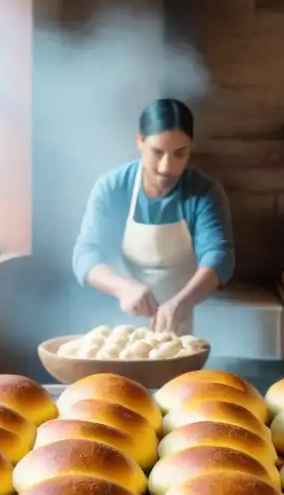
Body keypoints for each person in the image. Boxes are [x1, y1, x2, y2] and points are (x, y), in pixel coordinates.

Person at [72, 98, 235, 336]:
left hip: (180, 322)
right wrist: (123, 288)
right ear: (140, 141)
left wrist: (181, 302)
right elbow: (85, 254)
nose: (167, 167)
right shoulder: (114, 187)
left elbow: (219, 257)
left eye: (180, 153)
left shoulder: (204, 191)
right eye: (157, 152)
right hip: (116, 324)